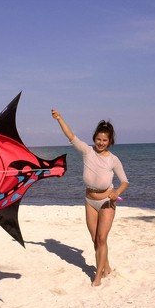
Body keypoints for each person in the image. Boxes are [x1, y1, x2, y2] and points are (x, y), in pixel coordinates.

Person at [51, 109, 129, 286]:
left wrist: (116, 193)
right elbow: (71, 136)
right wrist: (59, 118)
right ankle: (106, 266)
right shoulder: (87, 152)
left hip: (107, 201)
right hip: (90, 201)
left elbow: (124, 181)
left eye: (105, 140)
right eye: (99, 139)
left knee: (102, 238)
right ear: (94, 138)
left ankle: (98, 275)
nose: (101, 143)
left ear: (110, 142)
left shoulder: (113, 160)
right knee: (95, 239)